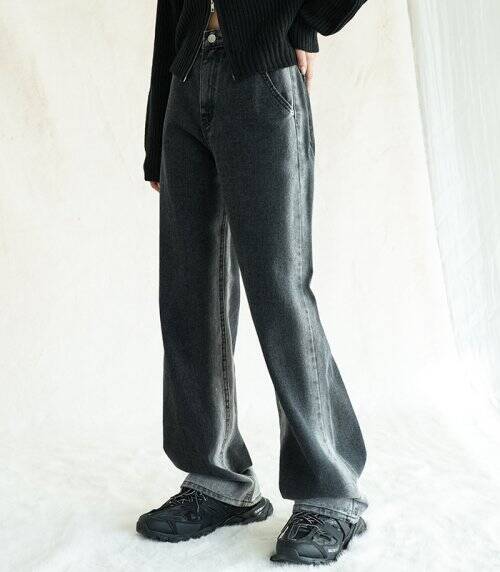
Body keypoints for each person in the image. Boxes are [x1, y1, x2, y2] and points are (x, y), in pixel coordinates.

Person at [136, 0, 369, 565]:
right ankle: (218, 480)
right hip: (187, 81)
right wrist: (156, 129)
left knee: (279, 291)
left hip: (263, 78)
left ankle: (331, 495)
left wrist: (304, 24)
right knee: (189, 294)